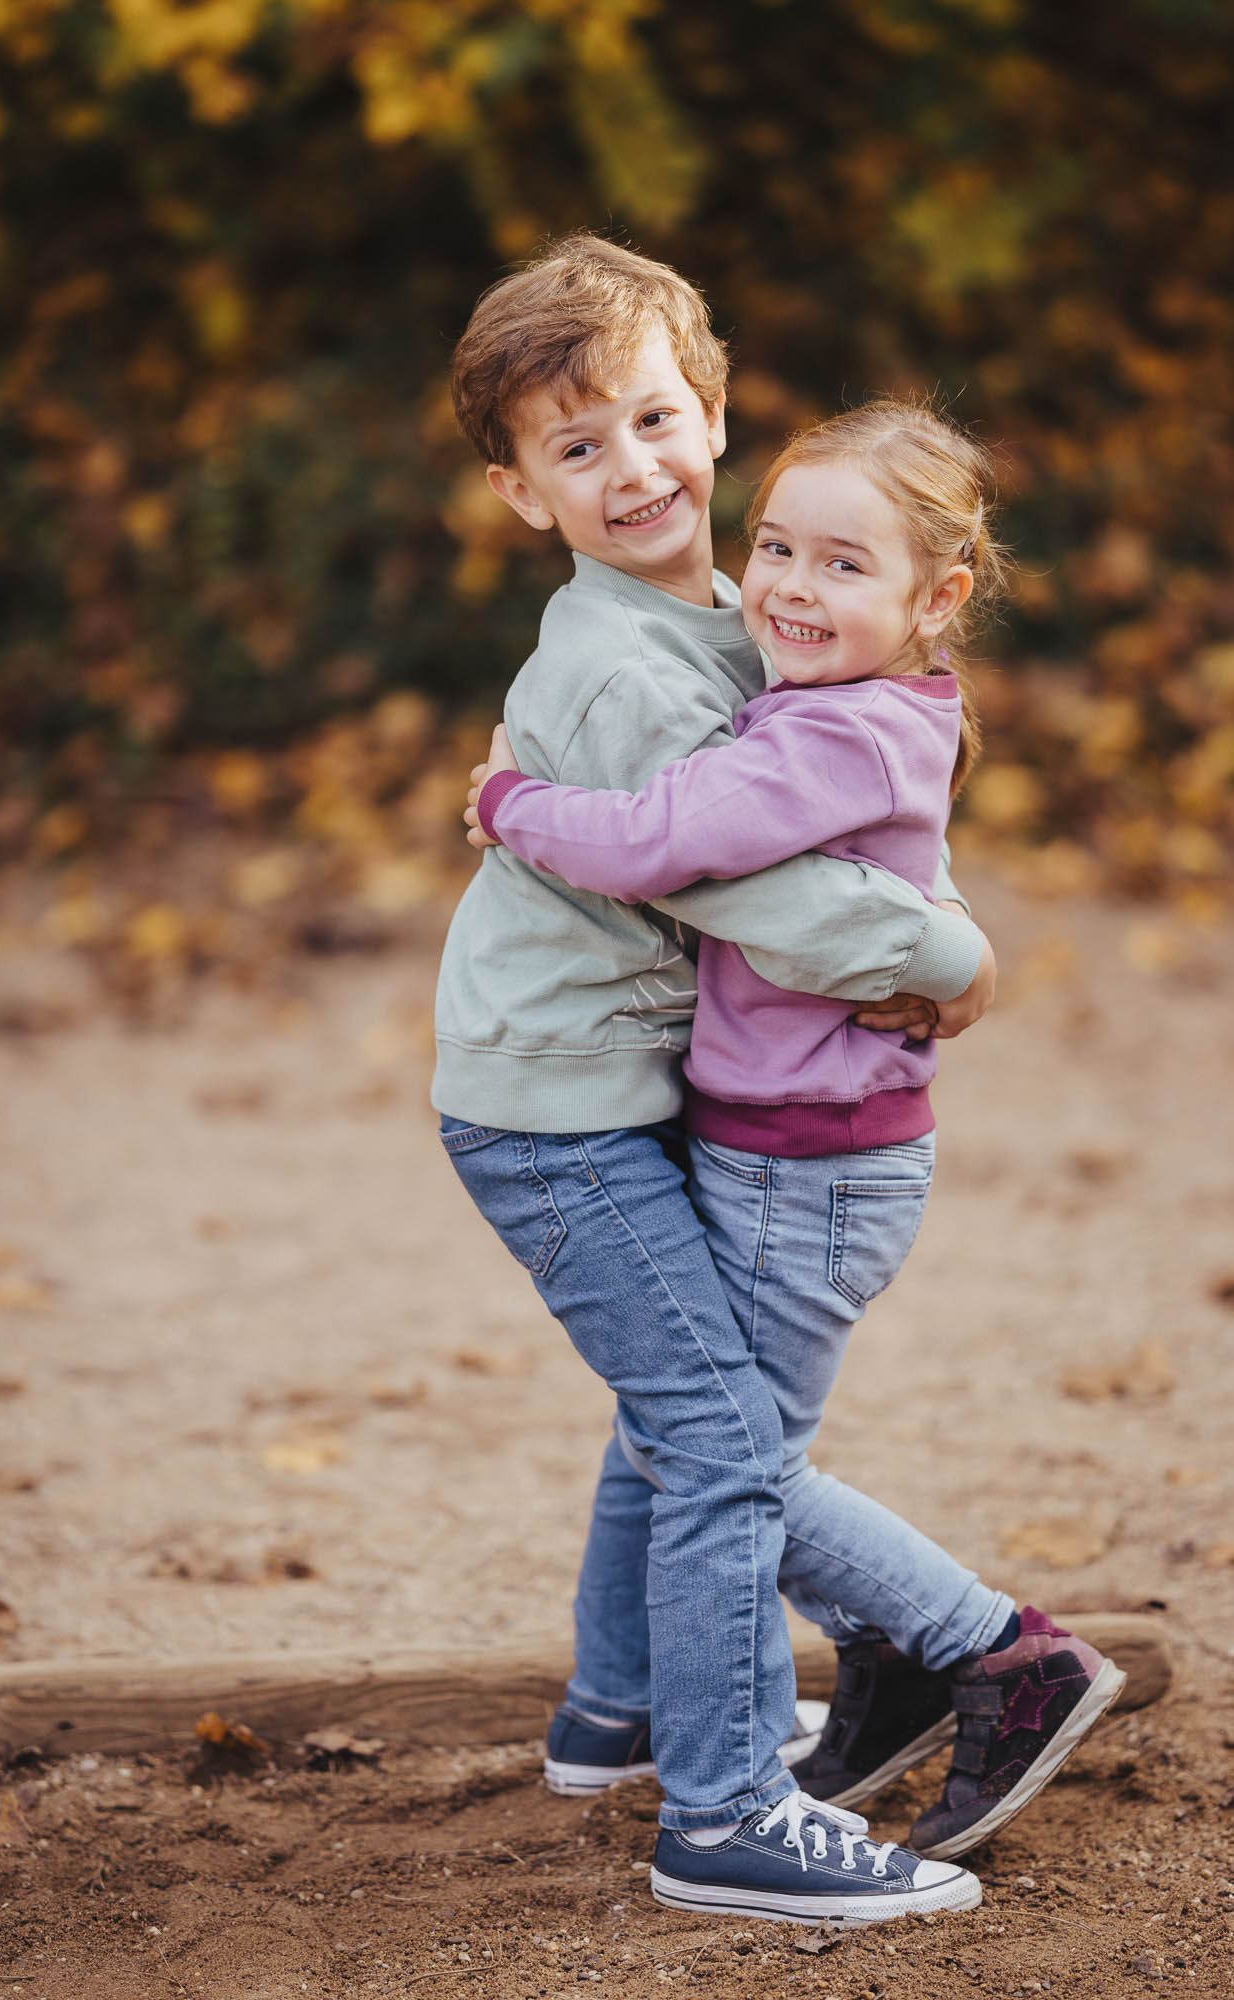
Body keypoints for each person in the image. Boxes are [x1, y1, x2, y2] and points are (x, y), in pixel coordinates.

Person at [465, 398, 1126, 1883]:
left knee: (723, 1454)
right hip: (782, 1141)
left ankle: (999, 1658)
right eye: (773, 546)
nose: (785, 587)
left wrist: (511, 801)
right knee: (699, 1429)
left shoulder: (830, 735)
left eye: (841, 564)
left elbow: (653, 840)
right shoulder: (834, 702)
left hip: (809, 1166)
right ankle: (744, 1691)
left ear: (934, 600)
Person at [434, 233, 998, 1926]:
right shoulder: (616, 669)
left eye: (655, 420)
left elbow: (842, 808)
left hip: (611, 1085)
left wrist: (927, 918)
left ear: (715, 409)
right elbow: (739, 880)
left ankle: (619, 1716)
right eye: (575, 446)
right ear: (519, 490)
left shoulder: (733, 619)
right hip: (557, 1109)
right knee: (715, 1432)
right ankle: (730, 1806)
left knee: (670, 1415)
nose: (632, 470)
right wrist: (949, 963)